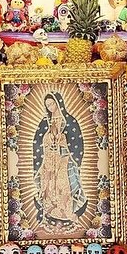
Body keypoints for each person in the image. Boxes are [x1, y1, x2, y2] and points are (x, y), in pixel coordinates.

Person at [33, 92, 87, 227]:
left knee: (64, 185)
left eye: (52, 103)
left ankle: (66, 213)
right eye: (48, 105)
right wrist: (48, 144)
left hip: (64, 159)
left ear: (58, 103)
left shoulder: (70, 121)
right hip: (49, 160)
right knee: (49, 186)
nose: (51, 107)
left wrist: (63, 144)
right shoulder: (44, 123)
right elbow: (37, 142)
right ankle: (49, 213)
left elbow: (76, 142)